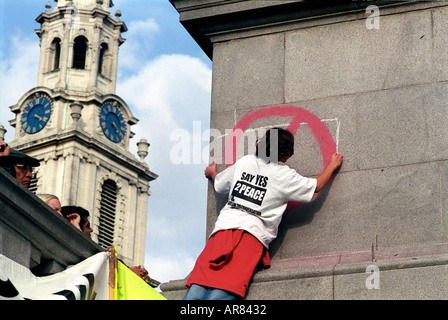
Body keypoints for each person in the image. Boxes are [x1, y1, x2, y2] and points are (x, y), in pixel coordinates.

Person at [183, 128, 343, 300]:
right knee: (223, 294)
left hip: (222, 232)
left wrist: (212, 173)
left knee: (196, 290)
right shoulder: (285, 175)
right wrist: (332, 166)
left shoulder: (246, 161)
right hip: (251, 237)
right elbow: (316, 187)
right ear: (289, 153)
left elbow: (220, 184)